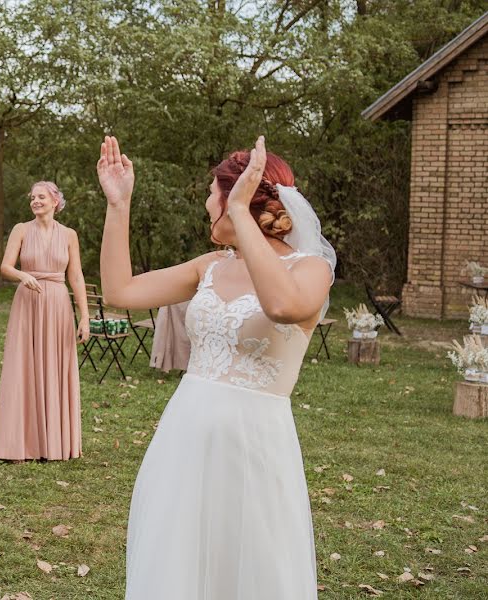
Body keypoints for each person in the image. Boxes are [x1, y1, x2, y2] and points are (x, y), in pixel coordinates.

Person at [97, 135, 335, 599]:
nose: (207, 203)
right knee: (177, 563)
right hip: (183, 437)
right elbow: (120, 292)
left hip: (254, 447)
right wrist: (118, 205)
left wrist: (242, 214)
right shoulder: (209, 266)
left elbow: (283, 306)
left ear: (238, 199)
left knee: (249, 567)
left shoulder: (311, 270)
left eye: (213, 193)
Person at [0, 182, 89, 461]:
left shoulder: (69, 235)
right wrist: (23, 275)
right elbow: (6, 266)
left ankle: (55, 442)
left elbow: (76, 276)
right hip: (28, 302)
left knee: (56, 366)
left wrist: (84, 316)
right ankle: (21, 442)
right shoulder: (21, 229)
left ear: (55, 201)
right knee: (24, 366)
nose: (35, 201)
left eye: (41, 197)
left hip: (57, 303)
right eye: (32, 197)